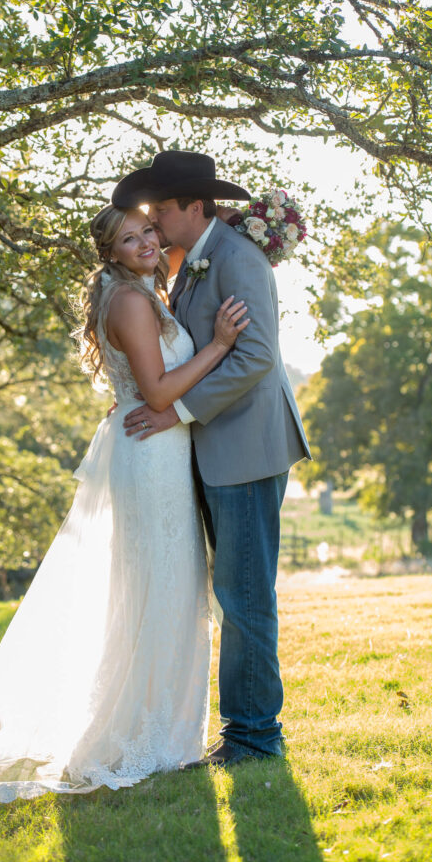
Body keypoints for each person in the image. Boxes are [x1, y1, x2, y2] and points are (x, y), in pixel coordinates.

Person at [0, 205, 248, 803]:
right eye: (131, 237)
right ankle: (146, 739)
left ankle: (163, 732)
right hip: (151, 454)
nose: (148, 241)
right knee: (162, 588)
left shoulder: (143, 292)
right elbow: (157, 390)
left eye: (149, 229)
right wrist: (222, 345)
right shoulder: (127, 302)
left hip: (157, 450)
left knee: (165, 589)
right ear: (111, 253)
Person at [112, 150, 311, 767]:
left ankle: (253, 736)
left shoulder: (238, 258)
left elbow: (255, 359)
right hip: (214, 451)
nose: (155, 220)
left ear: (194, 208)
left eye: (162, 210)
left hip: (247, 451)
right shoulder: (193, 261)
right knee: (232, 590)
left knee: (245, 594)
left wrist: (178, 412)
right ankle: (242, 728)